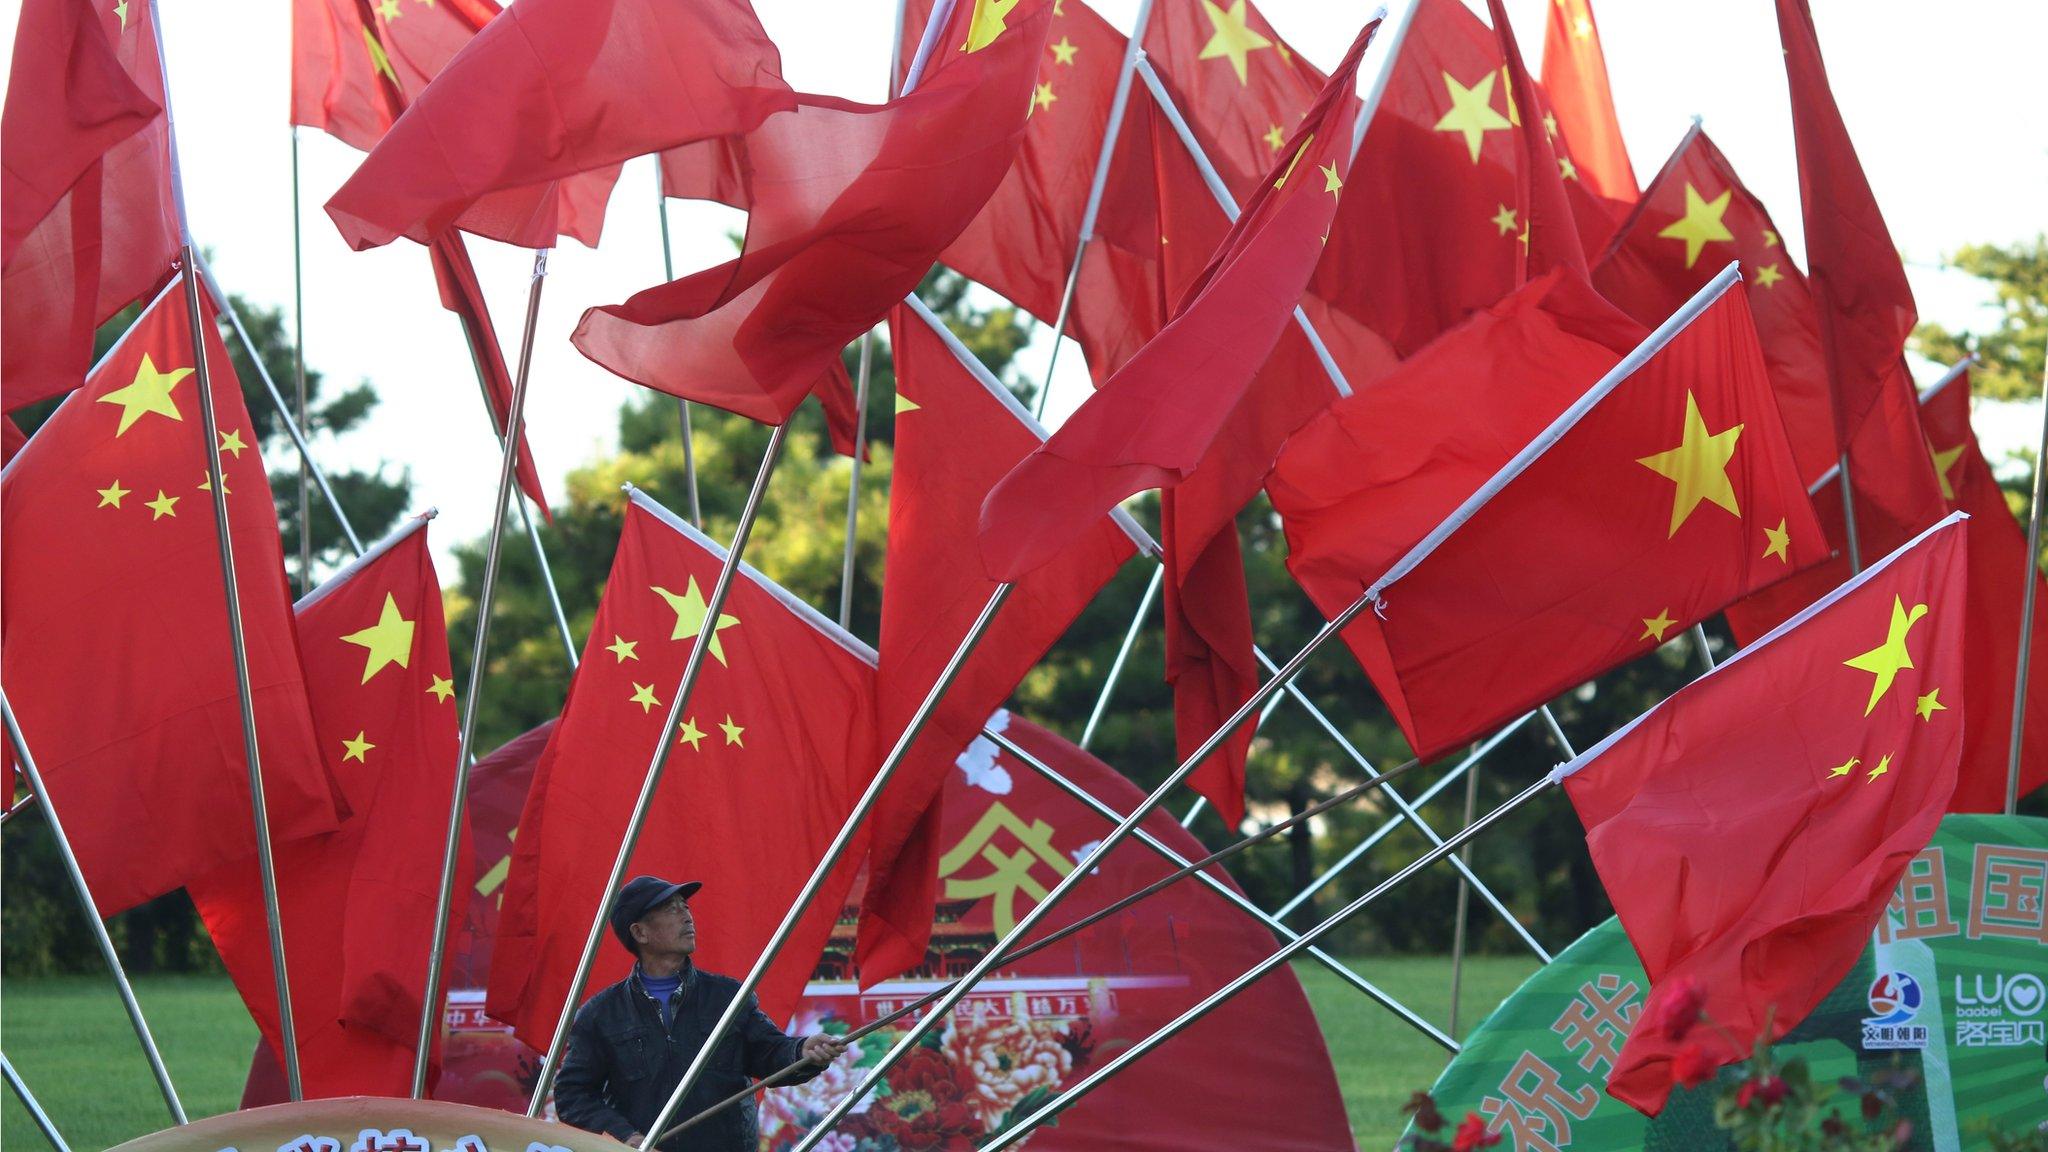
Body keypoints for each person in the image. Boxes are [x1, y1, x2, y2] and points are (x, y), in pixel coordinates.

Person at [554, 876, 850, 1150]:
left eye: (685, 906)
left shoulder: (728, 997)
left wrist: (801, 1051)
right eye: (670, 909)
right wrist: (624, 1136)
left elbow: (771, 1052)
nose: (686, 916)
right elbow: (573, 1096)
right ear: (639, 932)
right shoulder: (600, 1014)